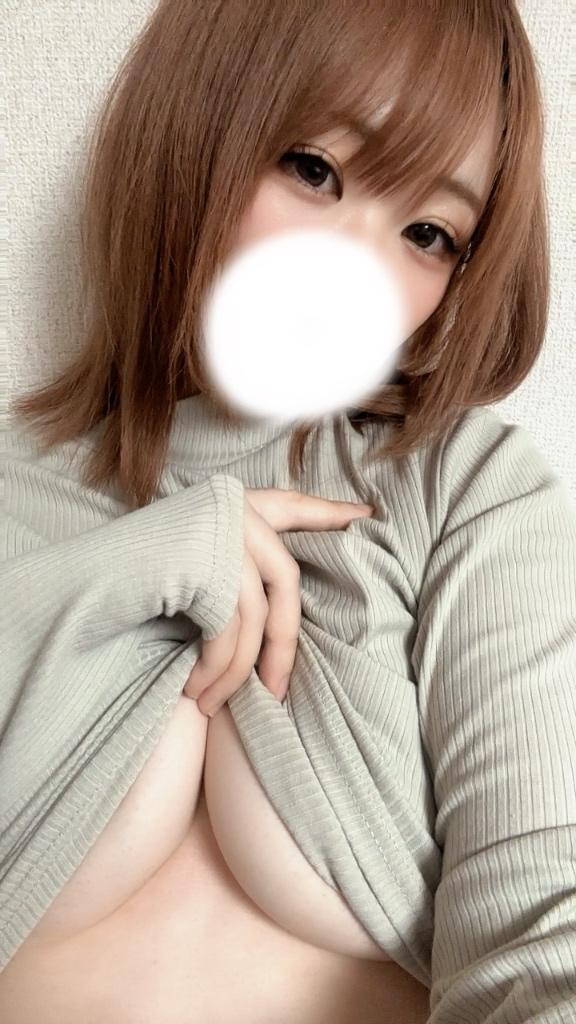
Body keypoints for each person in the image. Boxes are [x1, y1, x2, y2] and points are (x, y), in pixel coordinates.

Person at [1, 2, 575, 1022]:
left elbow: (547, 926)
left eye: (428, 233)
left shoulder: (467, 492)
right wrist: (144, 564)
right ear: (197, 131)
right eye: (315, 169)